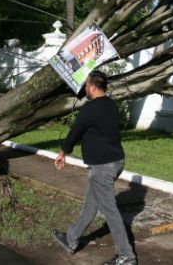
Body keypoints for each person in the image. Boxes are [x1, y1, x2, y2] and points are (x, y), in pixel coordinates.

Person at [51, 71, 137, 265]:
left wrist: (63, 152)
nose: (84, 90)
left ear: (92, 87)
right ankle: (71, 239)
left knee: (110, 211)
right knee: (91, 204)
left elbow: (75, 131)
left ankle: (126, 256)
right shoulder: (111, 105)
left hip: (102, 167)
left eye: (86, 86)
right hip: (115, 162)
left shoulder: (91, 108)